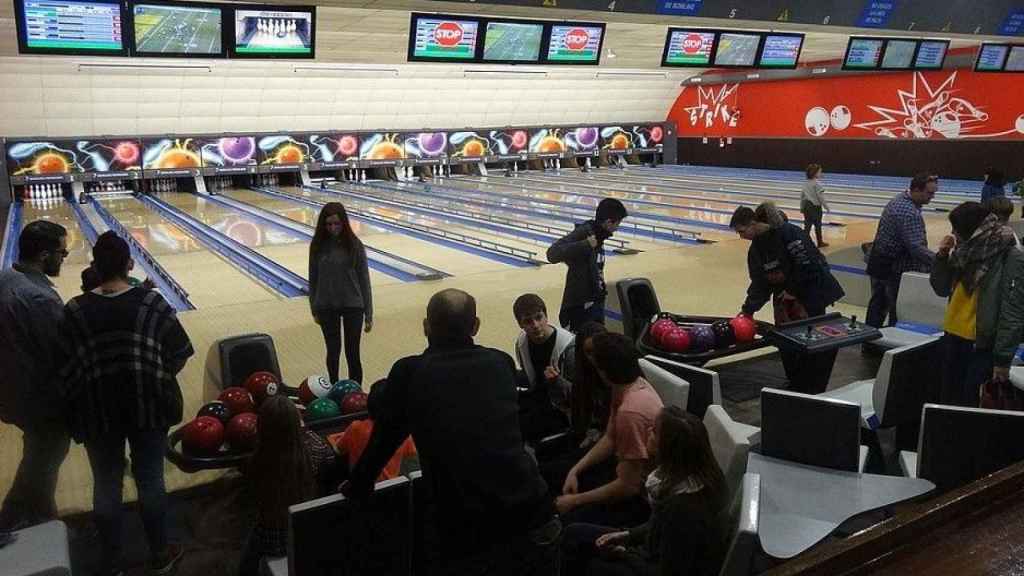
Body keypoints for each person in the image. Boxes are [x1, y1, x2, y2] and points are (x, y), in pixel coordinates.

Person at [346, 288, 560, 575]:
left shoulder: (409, 373)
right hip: (533, 514)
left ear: (426, 327)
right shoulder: (501, 363)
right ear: (476, 326)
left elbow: (383, 441)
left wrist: (357, 486)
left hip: (466, 530)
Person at [60, 231, 194, 576]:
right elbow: (180, 352)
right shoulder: (152, 303)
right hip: (148, 404)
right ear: (129, 264)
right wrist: (155, 374)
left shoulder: (75, 310)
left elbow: (64, 364)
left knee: (106, 482)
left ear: (95, 266)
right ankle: (161, 554)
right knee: (150, 478)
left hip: (97, 408)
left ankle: (112, 564)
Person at [561, 407, 731, 576]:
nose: (648, 431)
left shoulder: (682, 508)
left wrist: (624, 554)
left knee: (588, 560)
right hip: (650, 549)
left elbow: (667, 571)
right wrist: (627, 535)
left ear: (667, 448)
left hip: (651, 562)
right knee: (574, 533)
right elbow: (658, 525)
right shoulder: (695, 477)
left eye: (655, 432)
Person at [730, 202, 845, 393]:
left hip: (811, 293)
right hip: (785, 297)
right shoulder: (757, 249)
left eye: (742, 231)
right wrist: (747, 310)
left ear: (752, 223)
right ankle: (795, 383)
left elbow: (809, 265)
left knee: (811, 339)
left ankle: (812, 386)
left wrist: (792, 289)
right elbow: (760, 283)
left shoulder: (790, 233)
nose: (741, 236)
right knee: (785, 340)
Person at [0, 221, 70, 531]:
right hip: (39, 397)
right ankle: (12, 521)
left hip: (12, 389)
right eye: (62, 253)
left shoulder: (5, 277)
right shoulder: (40, 299)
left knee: (40, 456)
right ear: (44, 255)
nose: (63, 258)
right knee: (45, 457)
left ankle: (43, 518)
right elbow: (61, 352)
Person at [555, 332, 663, 528]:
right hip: (624, 471)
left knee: (570, 524)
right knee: (561, 472)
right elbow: (611, 437)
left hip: (642, 500)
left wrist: (575, 501)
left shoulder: (631, 412)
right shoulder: (625, 386)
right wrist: (576, 469)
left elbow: (629, 486)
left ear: (604, 370)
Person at [929, 202, 1024, 408]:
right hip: (952, 336)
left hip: (981, 345)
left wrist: (1003, 359)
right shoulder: (966, 250)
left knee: (969, 406)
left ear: (972, 228)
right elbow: (941, 288)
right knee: (948, 402)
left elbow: (1013, 309)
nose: (953, 232)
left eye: (956, 228)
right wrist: (941, 257)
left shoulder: (1010, 254)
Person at [239, 396, 337, 576]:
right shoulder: (315, 449)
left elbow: (252, 496)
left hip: (271, 540)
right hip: (305, 533)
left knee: (246, 561)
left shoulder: (257, 461)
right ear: (296, 423)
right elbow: (329, 457)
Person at [309, 202, 372, 384]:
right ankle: (333, 386)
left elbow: (364, 280)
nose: (333, 228)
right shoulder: (317, 246)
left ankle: (356, 390)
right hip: (326, 306)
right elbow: (313, 278)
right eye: (328, 225)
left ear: (344, 223)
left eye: (336, 224)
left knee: (353, 353)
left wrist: (369, 313)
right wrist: (314, 307)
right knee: (333, 351)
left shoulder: (355, 245)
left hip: (353, 305)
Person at [866, 173, 939, 328]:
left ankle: (868, 341)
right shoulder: (909, 212)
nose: (932, 197)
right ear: (917, 190)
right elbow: (916, 247)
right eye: (930, 193)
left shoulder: (898, 199)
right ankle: (891, 345)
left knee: (877, 305)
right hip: (892, 268)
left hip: (878, 260)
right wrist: (940, 261)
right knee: (896, 307)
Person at [547, 198, 628, 332]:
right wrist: (584, 245)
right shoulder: (585, 232)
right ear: (608, 222)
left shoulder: (599, 235)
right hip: (580, 306)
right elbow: (552, 253)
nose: (617, 228)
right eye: (618, 223)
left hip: (595, 301)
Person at [513, 293, 575, 444]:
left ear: (546, 316)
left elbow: (581, 394)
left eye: (539, 317)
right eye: (528, 321)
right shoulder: (522, 343)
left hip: (564, 410)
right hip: (539, 400)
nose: (535, 325)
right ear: (520, 324)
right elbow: (532, 379)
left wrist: (557, 381)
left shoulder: (568, 347)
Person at [800, 163, 830, 248]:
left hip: (806, 206)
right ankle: (820, 243)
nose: (821, 174)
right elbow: (820, 197)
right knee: (818, 225)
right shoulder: (817, 184)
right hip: (815, 207)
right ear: (815, 173)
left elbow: (802, 196)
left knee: (807, 226)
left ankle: (804, 243)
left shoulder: (805, 183)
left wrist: (801, 207)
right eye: (820, 172)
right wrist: (826, 207)